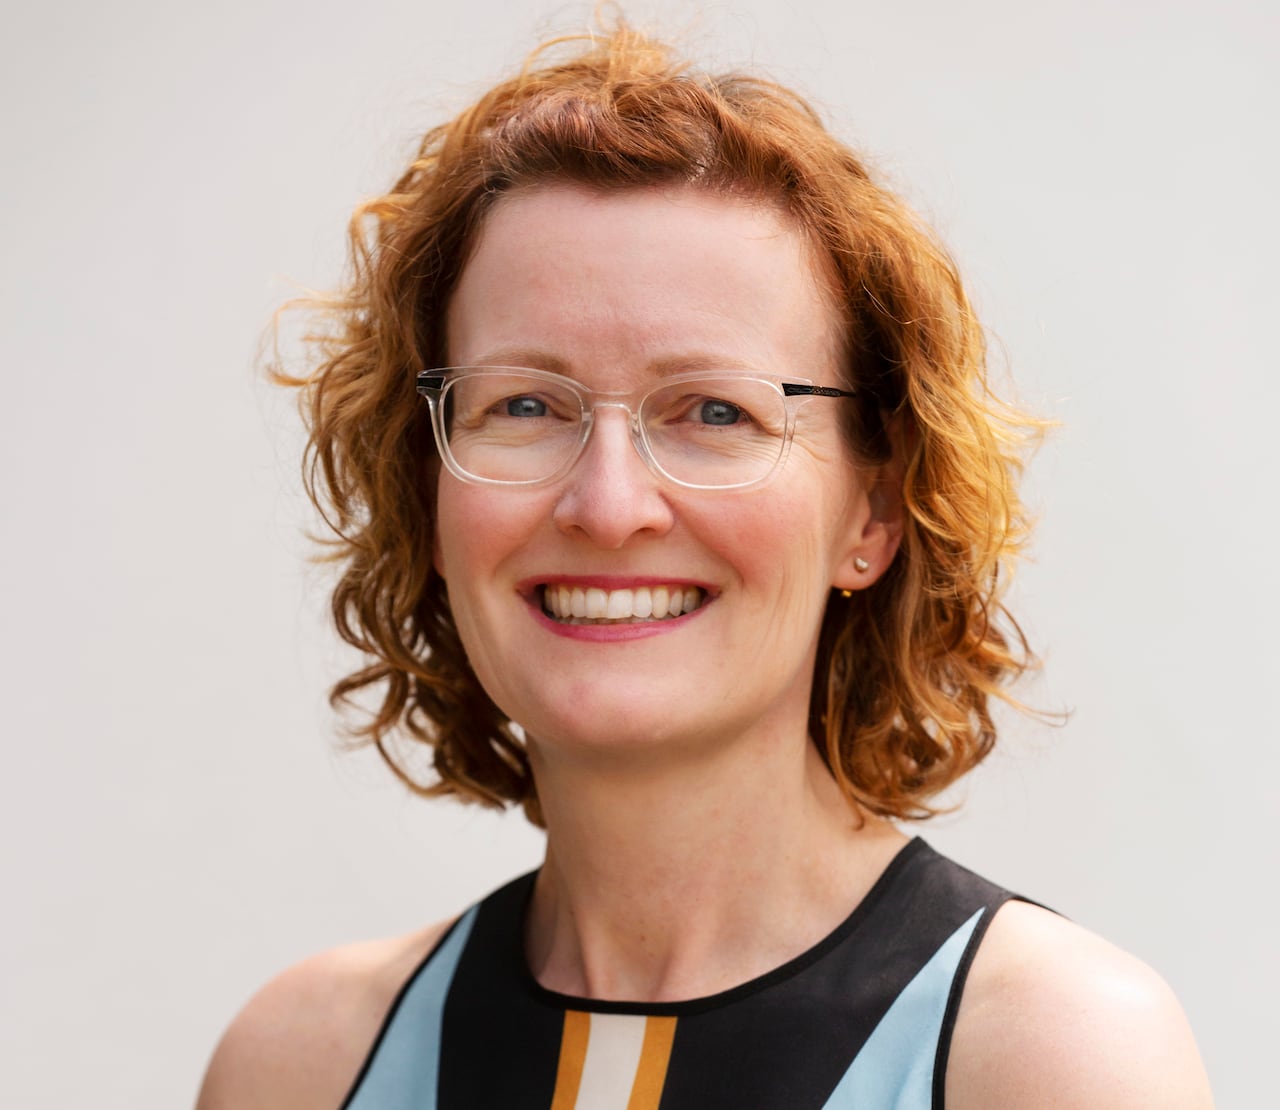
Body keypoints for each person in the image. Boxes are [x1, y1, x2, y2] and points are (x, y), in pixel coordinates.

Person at [197, 25, 1213, 1110]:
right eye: (524, 406)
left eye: (715, 412)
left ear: (871, 512)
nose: (606, 505)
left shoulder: (1048, 1056)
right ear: (428, 491)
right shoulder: (301, 1066)